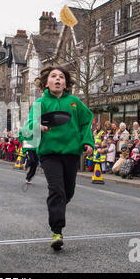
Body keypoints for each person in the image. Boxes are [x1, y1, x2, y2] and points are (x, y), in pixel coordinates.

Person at [20, 66, 94, 250]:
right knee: (57, 190)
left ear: (66, 83)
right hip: (49, 153)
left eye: (61, 76)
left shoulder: (74, 102)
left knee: (68, 192)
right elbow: (28, 128)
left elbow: (86, 121)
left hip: (71, 153)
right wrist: (39, 126)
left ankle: (57, 206)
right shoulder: (40, 104)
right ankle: (57, 231)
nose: (58, 79)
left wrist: (88, 142)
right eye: (53, 76)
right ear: (47, 82)